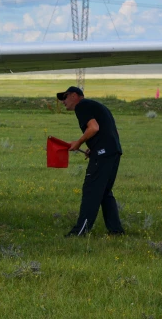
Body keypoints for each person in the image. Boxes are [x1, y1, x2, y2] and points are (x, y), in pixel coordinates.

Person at [57, 86, 125, 237]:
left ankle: (80, 231)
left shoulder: (82, 106)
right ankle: (116, 231)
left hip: (104, 154)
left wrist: (79, 142)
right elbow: (114, 131)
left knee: (91, 191)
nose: (63, 101)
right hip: (113, 152)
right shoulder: (97, 106)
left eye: (65, 97)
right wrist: (94, 148)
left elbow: (93, 128)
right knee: (105, 193)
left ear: (75, 96)